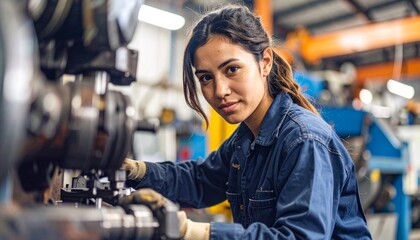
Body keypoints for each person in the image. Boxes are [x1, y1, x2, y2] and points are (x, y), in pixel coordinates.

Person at [123, 4, 372, 240]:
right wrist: (134, 170)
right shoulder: (244, 140)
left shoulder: (303, 141)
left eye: (231, 70)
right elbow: (199, 181)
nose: (219, 90)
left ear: (265, 63)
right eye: (206, 78)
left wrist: (195, 232)